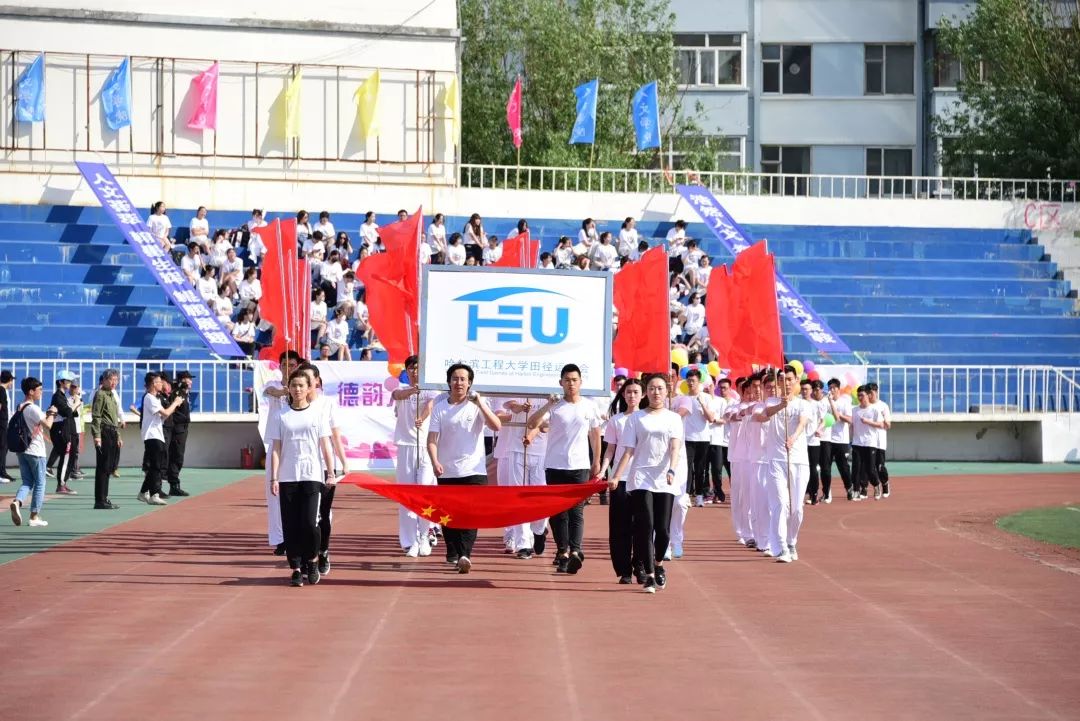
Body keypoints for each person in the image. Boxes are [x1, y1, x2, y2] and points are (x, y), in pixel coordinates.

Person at [609, 375, 683, 593]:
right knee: (645, 525)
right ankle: (649, 575)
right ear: (646, 392)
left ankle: (659, 564)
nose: (656, 392)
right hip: (640, 477)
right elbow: (628, 450)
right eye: (652, 388)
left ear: (666, 391)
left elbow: (675, 448)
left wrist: (672, 469)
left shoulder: (673, 418)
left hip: (664, 477)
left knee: (663, 530)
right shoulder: (636, 418)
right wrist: (616, 475)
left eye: (660, 388)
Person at [426, 363, 501, 574]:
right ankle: (453, 550)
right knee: (449, 517)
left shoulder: (477, 405)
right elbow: (432, 440)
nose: (459, 383)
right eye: (455, 379)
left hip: (474, 470)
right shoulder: (441, 408)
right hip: (447, 471)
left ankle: (465, 554)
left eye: (463, 379)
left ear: (470, 383)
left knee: (470, 515)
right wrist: (435, 461)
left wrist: (480, 404)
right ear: (449, 382)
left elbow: (496, 426)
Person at [527, 364, 602, 575]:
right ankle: (562, 552)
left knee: (576, 511)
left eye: (574, 380)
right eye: (567, 380)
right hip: (554, 465)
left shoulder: (589, 406)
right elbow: (532, 424)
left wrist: (596, 460)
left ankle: (576, 551)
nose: (571, 384)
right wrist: (547, 406)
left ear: (581, 382)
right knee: (558, 512)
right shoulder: (555, 407)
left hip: (579, 466)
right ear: (561, 383)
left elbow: (595, 435)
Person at [267, 370, 335, 587]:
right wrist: (274, 477)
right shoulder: (281, 416)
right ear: (289, 388)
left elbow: (325, 445)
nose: (297, 389)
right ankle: (296, 568)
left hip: (312, 474)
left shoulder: (317, 414)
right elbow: (276, 448)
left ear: (310, 388)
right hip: (287, 476)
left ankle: (312, 560)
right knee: (291, 524)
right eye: (293, 385)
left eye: (301, 385)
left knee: (309, 522)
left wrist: (331, 472)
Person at [294, 364, 348, 577]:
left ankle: (323, 551)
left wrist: (343, 462)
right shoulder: (294, 405)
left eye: (308, 379)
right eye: (300, 380)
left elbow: (335, 436)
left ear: (316, 381)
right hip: (302, 469)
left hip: (325, 468)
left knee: (321, 515)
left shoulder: (327, 404)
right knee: (305, 517)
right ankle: (309, 556)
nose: (304, 385)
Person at [754, 365, 810, 563]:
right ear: (777, 382)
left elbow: (803, 423)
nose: (785, 383)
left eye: (789, 379)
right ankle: (781, 548)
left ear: (795, 381)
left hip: (798, 460)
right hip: (775, 460)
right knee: (780, 504)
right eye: (782, 379)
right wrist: (780, 406)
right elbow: (759, 417)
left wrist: (793, 437)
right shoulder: (769, 401)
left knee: (796, 509)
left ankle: (791, 540)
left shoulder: (803, 404)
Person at [391, 355, 439, 557]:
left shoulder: (432, 390)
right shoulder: (402, 389)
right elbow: (396, 396)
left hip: (426, 447)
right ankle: (410, 541)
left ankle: (424, 536)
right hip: (406, 446)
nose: (414, 371)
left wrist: (422, 417)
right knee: (407, 495)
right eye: (411, 368)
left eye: (418, 368)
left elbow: (430, 405)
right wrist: (413, 390)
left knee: (425, 492)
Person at [599, 378, 645, 584]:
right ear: (623, 394)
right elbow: (609, 449)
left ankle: (641, 565)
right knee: (620, 527)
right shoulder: (616, 420)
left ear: (643, 395)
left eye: (636, 392)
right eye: (628, 392)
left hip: (644, 480)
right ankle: (624, 569)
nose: (632, 396)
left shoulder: (648, 419)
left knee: (643, 526)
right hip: (620, 479)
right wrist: (603, 471)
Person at [262, 351, 302, 554]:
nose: (288, 367)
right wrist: (284, 391)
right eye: (285, 364)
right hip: (276, 445)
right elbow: (270, 391)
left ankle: (296, 536)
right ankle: (280, 539)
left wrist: (294, 391)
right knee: (274, 494)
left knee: (297, 494)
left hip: (296, 446)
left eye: (292, 364)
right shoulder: (274, 385)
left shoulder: (303, 390)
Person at [9, 377, 57, 527]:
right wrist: (53, 413)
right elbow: (48, 425)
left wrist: (47, 413)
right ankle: (34, 516)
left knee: (27, 482)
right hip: (35, 450)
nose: (41, 392)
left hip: (22, 450)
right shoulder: (33, 408)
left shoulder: (20, 407)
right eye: (39, 390)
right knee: (40, 483)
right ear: (31, 391)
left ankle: (17, 502)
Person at [138, 372, 185, 506]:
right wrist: (175, 403)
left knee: (156, 466)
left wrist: (173, 406)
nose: (162, 384)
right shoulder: (149, 398)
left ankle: (143, 492)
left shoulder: (155, 398)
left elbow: (163, 417)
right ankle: (154, 494)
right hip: (151, 435)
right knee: (156, 466)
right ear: (153, 384)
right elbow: (165, 412)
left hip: (157, 434)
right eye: (159, 382)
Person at [675, 368, 716, 512]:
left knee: (700, 469)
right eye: (689, 381)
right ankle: (685, 494)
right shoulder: (683, 398)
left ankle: (699, 495)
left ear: (699, 382)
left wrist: (702, 404)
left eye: (693, 381)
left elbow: (711, 419)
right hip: (686, 438)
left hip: (703, 438)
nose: (691, 383)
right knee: (686, 468)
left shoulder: (706, 398)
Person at [90, 369, 122, 510]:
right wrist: (97, 436)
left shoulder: (112, 395)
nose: (114, 382)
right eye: (111, 379)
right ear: (104, 380)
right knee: (103, 467)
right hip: (104, 432)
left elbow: (114, 418)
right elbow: (96, 416)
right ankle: (100, 500)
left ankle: (104, 498)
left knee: (108, 467)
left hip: (112, 431)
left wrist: (118, 435)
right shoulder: (101, 394)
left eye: (116, 379)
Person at [45, 370, 78, 494]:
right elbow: (68, 412)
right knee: (65, 456)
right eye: (67, 381)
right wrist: (76, 404)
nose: (70, 383)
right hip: (60, 430)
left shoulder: (62, 396)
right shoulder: (58, 396)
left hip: (66, 429)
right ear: (60, 382)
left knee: (70, 456)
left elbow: (72, 413)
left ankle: (63, 482)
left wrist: (74, 404)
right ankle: (61, 484)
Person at [824, 378, 853, 503]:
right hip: (827, 439)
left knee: (844, 468)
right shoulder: (825, 402)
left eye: (834, 387)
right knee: (826, 468)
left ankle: (849, 488)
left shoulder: (844, 402)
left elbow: (850, 420)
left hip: (841, 440)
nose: (832, 390)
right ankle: (827, 492)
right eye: (830, 387)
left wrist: (838, 414)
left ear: (838, 389)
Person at [165, 371, 194, 497]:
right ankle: (174, 485)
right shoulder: (178, 393)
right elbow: (173, 410)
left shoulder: (184, 393)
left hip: (183, 428)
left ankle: (174, 484)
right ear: (182, 380)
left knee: (178, 457)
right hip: (177, 429)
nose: (191, 382)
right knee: (176, 456)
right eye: (188, 379)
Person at [707, 377, 731, 503]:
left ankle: (736, 492)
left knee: (729, 470)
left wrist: (715, 420)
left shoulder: (731, 402)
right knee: (713, 470)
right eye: (720, 388)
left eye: (725, 388)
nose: (722, 390)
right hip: (713, 440)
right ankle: (715, 492)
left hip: (728, 442)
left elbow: (726, 419)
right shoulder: (706, 399)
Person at [804, 380, 828, 505]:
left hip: (813, 441)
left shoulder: (817, 405)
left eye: (807, 389)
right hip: (800, 441)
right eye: (802, 389)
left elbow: (824, 420)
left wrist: (819, 429)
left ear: (811, 391)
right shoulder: (798, 403)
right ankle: (802, 493)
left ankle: (814, 495)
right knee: (801, 468)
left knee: (813, 468)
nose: (804, 391)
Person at [867, 383, 892, 498]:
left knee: (880, 466)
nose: (870, 395)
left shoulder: (883, 406)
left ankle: (885, 483)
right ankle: (873, 487)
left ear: (876, 392)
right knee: (869, 467)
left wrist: (884, 421)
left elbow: (888, 425)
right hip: (868, 441)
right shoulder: (865, 406)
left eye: (871, 393)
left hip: (880, 442)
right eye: (868, 393)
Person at [0, 369, 13, 482]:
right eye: (11, 381)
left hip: (5, 423)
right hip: (1, 423)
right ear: (9, 380)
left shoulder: (3, 390)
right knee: (2, 448)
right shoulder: (1, 390)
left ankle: (2, 472)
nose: (12, 383)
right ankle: (1, 473)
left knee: (4, 447)